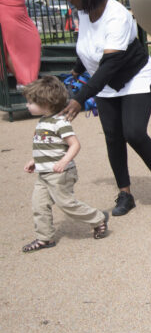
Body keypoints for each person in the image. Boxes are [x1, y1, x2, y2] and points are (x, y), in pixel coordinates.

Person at [58, 0, 151, 216]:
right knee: (113, 136)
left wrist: (79, 98)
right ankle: (125, 193)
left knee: (134, 132)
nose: (68, 0)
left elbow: (110, 65)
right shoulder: (84, 11)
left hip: (135, 76)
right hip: (105, 80)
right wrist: (78, 69)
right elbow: (90, 46)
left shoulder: (117, 16)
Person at [20, 76, 109, 252]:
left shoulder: (60, 122)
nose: (27, 106)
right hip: (44, 173)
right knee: (39, 205)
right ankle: (44, 238)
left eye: (31, 102)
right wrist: (34, 161)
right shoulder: (42, 121)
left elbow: (75, 144)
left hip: (60, 174)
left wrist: (63, 161)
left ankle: (98, 218)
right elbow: (45, 145)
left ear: (47, 102)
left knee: (67, 204)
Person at [0, 0, 42, 88]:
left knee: (34, 41)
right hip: (7, 14)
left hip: (22, 13)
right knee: (13, 48)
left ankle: (29, 77)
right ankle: (22, 80)